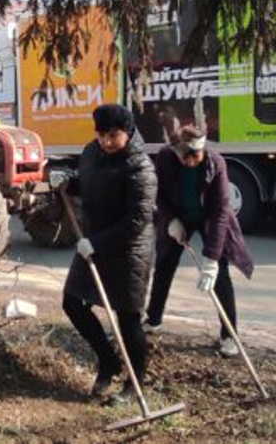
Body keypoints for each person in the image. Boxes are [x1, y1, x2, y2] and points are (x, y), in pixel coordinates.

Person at [62, 104, 157, 400]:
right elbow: (90, 184)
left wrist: (97, 243)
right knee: (73, 302)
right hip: (94, 242)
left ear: (127, 133)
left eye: (113, 135)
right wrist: (68, 184)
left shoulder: (140, 167)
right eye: (102, 134)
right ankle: (108, 361)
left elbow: (138, 218)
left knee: (128, 318)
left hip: (129, 250)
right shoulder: (91, 153)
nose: (106, 141)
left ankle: (135, 384)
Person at [144, 124, 255, 358]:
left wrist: (212, 258)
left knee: (220, 275)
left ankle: (229, 335)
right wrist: (171, 220)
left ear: (202, 150)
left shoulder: (216, 163)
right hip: (178, 216)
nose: (191, 161)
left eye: (195, 156)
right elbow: (159, 194)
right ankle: (153, 320)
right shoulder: (165, 158)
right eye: (185, 157)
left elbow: (220, 211)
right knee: (164, 266)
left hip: (208, 217)